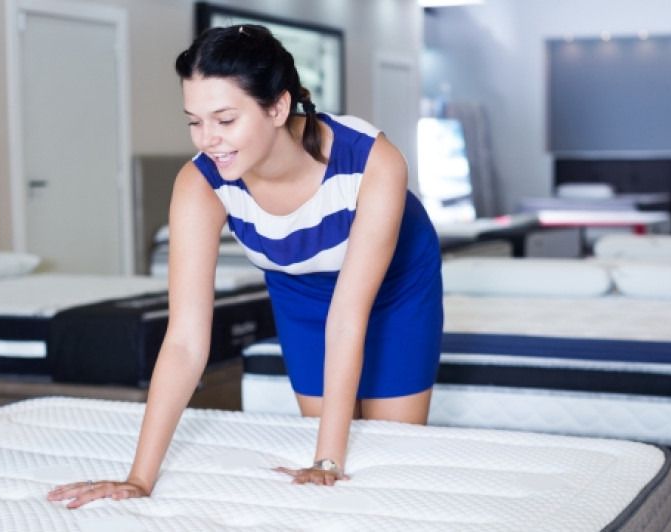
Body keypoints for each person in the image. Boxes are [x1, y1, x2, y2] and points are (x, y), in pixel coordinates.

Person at [47, 23, 443, 508]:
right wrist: (139, 478)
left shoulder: (371, 161)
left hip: (396, 288)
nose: (208, 139)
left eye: (225, 120)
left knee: (386, 456)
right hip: (299, 290)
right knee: (336, 458)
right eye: (194, 121)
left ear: (277, 107)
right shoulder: (200, 183)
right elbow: (185, 340)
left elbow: (347, 317)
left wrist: (325, 461)